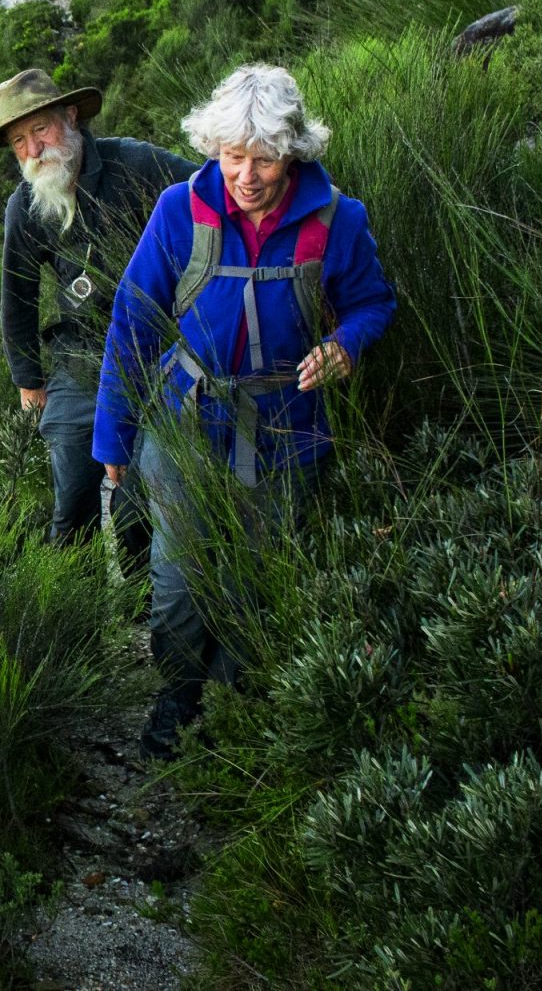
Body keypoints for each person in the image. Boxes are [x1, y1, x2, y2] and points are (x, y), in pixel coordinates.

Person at [92, 63, 396, 759]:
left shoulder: (336, 221)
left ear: (292, 154)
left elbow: (374, 301)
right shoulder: (181, 210)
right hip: (186, 422)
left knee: (252, 582)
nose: (247, 175)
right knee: (177, 582)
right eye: (233, 157)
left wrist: (346, 345)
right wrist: (114, 434)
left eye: (263, 159)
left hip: (289, 427)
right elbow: (133, 323)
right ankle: (173, 708)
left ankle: (227, 717)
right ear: (213, 149)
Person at [0, 68, 198, 553]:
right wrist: (29, 382)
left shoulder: (134, 164)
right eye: (19, 141)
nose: (34, 150)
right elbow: (17, 297)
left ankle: (145, 607)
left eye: (40, 130)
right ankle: (75, 612)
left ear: (70, 116)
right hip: (81, 358)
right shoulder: (26, 207)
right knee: (73, 485)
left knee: (140, 491)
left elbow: (207, 192)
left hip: (157, 345)